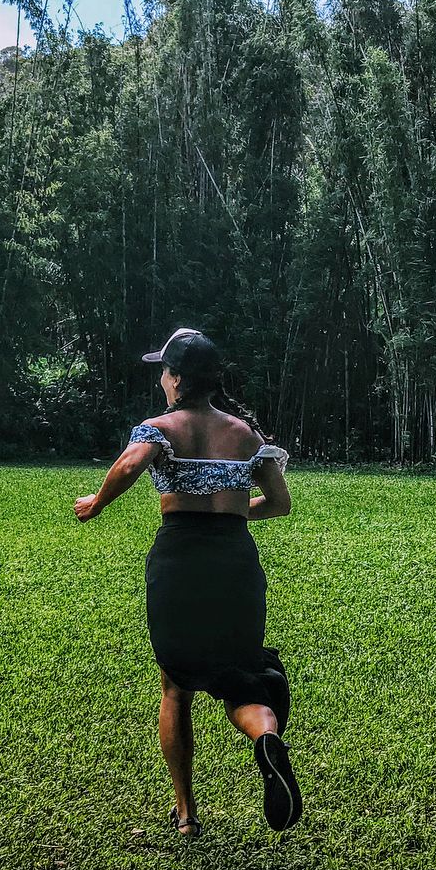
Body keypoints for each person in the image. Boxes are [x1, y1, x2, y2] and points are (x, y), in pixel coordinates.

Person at [74, 328, 301, 837]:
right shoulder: (246, 435)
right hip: (237, 562)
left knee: (177, 685)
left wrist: (96, 502)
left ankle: (186, 814)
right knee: (240, 674)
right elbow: (281, 504)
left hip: (181, 561)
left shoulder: (158, 428)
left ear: (175, 378)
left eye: (163, 370)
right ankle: (267, 737)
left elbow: (132, 464)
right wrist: (236, 513)